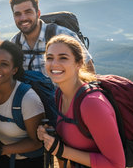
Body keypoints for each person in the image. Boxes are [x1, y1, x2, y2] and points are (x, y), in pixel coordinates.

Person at [37, 34, 125, 167]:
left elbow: (116, 164)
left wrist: (62, 151)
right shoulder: (60, 94)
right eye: (50, 58)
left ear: (79, 63)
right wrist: (51, 134)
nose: (54, 64)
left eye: (63, 58)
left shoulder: (92, 104)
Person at [0, 40, 45, 168]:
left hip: (28, 162)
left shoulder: (28, 99)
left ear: (14, 70)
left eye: (4, 64)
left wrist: (1, 150)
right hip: (1, 158)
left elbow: (37, 142)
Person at [9, 0, 95, 75]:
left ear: (38, 14)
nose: (23, 18)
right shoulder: (14, 44)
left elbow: (89, 69)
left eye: (28, 12)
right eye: (18, 14)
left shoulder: (63, 34)